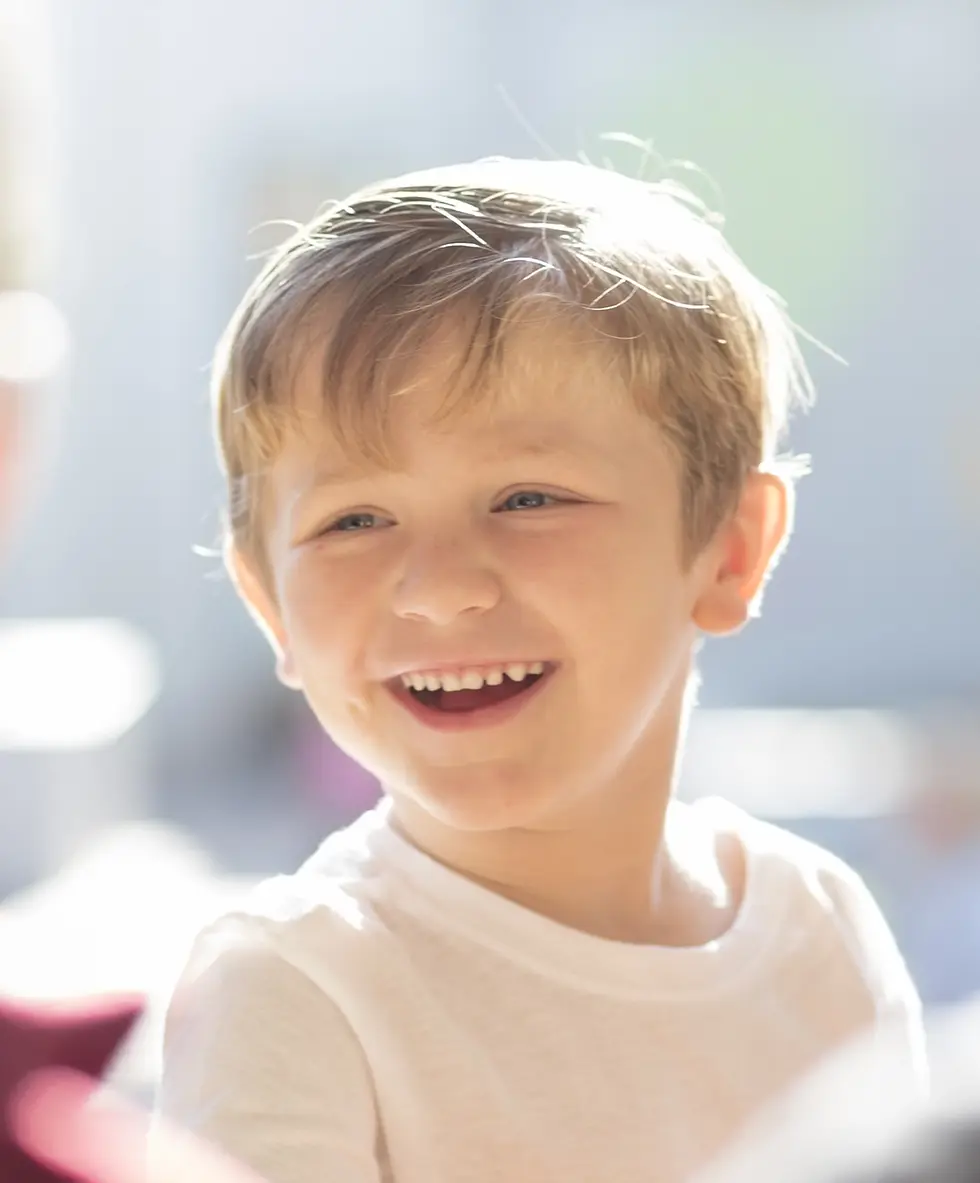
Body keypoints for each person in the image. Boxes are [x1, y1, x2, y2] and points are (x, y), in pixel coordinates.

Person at [158, 156, 926, 1183]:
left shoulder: (817, 928)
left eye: (527, 499)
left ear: (729, 549)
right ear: (269, 606)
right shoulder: (300, 989)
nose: (436, 587)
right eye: (355, 519)